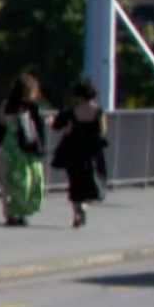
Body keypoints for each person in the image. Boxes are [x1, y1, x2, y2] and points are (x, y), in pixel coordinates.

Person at [52, 79, 111, 229]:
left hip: (73, 150)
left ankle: (77, 212)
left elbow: (57, 126)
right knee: (93, 179)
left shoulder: (71, 112)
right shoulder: (98, 111)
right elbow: (102, 131)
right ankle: (85, 205)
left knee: (74, 182)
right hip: (92, 151)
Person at [0, 73, 48, 227]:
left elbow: (0, 127)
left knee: (15, 181)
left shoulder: (5, 107)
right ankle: (17, 212)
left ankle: (14, 212)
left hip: (10, 147)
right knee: (26, 180)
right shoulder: (29, 107)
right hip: (23, 147)